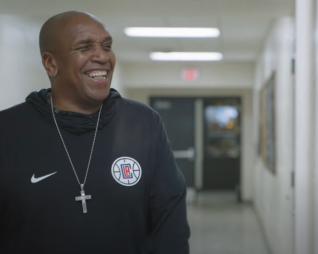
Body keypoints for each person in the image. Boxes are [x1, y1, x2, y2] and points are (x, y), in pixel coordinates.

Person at [0, 11, 190, 253]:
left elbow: (169, 222)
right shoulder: (8, 130)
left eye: (107, 46)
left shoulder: (143, 123)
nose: (102, 56)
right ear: (51, 63)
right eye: (85, 47)